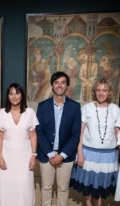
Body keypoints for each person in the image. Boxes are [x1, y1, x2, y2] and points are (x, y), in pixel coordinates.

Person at [70, 78, 120, 206]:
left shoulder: (115, 109)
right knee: (88, 185)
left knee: (101, 185)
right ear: (95, 92)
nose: (101, 93)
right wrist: (80, 154)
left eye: (104, 90)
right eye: (98, 90)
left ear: (109, 92)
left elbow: (119, 136)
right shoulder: (87, 108)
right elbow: (80, 133)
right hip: (89, 153)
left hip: (109, 155)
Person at [36, 71, 82, 206]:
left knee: (63, 189)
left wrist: (62, 155)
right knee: (46, 187)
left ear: (67, 85)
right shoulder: (43, 106)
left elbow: (75, 134)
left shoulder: (75, 107)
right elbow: (39, 132)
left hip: (66, 156)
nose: (59, 85)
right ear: (52, 85)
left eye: (63, 82)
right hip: (46, 155)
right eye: (56, 82)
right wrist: (50, 153)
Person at [0, 82, 38, 206]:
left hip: (25, 157)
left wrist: (33, 156)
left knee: (25, 187)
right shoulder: (2, 113)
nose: (14, 96)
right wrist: (0, 157)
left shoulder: (30, 112)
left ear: (22, 95)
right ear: (8, 96)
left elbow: (33, 135)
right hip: (7, 157)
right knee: (7, 187)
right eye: (11, 93)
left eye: (17, 93)